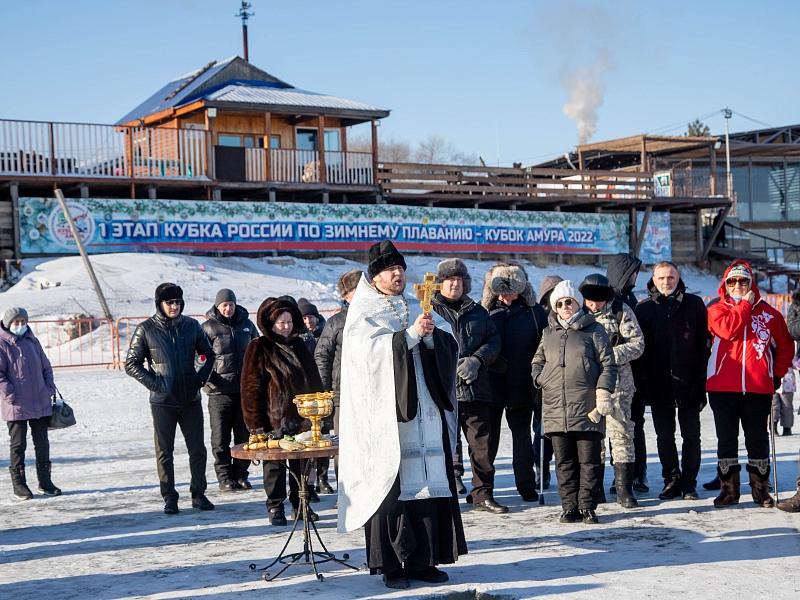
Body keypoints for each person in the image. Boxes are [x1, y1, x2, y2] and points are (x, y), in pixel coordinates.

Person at [338, 240, 466, 590]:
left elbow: (449, 344)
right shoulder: (364, 312)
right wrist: (408, 336)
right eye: (389, 270)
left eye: (400, 268)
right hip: (388, 418)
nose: (397, 274)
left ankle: (425, 560)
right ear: (375, 277)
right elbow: (367, 357)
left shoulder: (416, 303)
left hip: (426, 410)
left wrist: (431, 339)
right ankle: (393, 565)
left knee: (427, 483)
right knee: (391, 488)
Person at [706, 261, 794, 508]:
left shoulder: (770, 314)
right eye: (732, 281)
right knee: (726, 439)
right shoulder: (716, 309)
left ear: (751, 283)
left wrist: (776, 373)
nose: (737, 285)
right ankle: (728, 490)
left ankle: (760, 489)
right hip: (722, 386)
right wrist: (745, 304)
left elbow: (786, 346)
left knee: (757, 439)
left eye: (743, 281)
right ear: (725, 284)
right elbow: (727, 330)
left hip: (757, 386)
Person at [125, 283, 216, 515]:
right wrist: (156, 384)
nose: (174, 306)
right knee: (165, 452)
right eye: (169, 302)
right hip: (162, 402)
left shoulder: (191, 326)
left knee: (197, 449)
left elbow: (209, 354)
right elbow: (131, 363)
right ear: (160, 304)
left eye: (177, 302)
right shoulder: (146, 329)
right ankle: (169, 496)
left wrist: (200, 379)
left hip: (190, 400)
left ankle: (198, 493)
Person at [532, 280, 617, 524]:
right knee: (564, 462)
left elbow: (608, 364)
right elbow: (537, 362)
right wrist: (541, 378)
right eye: (559, 303)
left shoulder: (594, 330)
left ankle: (588, 507)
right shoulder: (548, 333)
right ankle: (569, 507)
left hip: (586, 407)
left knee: (589, 461)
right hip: (556, 407)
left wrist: (603, 390)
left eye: (569, 301)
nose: (565, 306)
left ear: (578, 303)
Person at [241, 297, 324, 526]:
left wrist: (319, 414)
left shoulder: (299, 345)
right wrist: (255, 425)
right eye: (281, 322)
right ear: (271, 323)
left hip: (302, 419)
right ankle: (275, 506)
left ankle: (300, 504)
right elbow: (250, 388)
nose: (286, 326)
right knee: (275, 466)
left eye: (289, 321)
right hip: (273, 421)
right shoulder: (259, 347)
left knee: (301, 465)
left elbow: (314, 380)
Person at [432, 258, 504, 513]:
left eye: (459, 280)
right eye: (450, 280)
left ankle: (482, 495)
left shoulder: (478, 312)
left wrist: (477, 360)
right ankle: (445, 495)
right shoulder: (429, 311)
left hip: (475, 388)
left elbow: (494, 342)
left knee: (482, 446)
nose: (455, 284)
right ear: (440, 283)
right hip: (442, 391)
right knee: (443, 446)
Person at [634, 261, 709, 501]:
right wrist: (643, 382)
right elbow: (640, 351)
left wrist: (701, 380)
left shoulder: (694, 304)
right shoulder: (644, 309)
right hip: (658, 384)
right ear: (653, 280)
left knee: (691, 436)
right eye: (661, 278)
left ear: (678, 278)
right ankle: (672, 479)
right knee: (664, 437)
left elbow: (704, 343)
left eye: (670, 277)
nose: (666, 282)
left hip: (689, 383)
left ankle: (689, 483)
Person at [482, 262, 547, 502]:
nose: (507, 297)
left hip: (523, 384)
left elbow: (544, 345)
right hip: (492, 385)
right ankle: (484, 487)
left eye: (512, 292)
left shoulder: (534, 312)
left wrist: (539, 377)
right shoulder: (485, 312)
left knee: (522, 438)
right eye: (502, 292)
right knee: (488, 440)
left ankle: (526, 485)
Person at [579, 274, 644, 508]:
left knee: (622, 435)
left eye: (598, 301)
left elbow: (638, 343)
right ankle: (594, 487)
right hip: (587, 386)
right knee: (593, 438)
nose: (594, 305)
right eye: (590, 300)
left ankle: (624, 488)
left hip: (619, 386)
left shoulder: (620, 311)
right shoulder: (579, 314)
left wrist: (609, 356)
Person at [202, 288, 259, 492]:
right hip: (219, 392)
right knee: (220, 438)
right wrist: (208, 380)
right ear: (217, 306)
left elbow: (257, 353)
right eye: (224, 305)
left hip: (244, 392)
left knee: (244, 437)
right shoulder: (207, 328)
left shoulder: (247, 325)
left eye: (231, 305)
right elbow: (199, 358)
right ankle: (224, 477)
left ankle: (241, 474)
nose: (228, 309)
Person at [1, 307, 60, 500]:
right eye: (16, 322)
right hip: (16, 404)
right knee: (18, 445)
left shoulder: (32, 341)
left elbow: (46, 366)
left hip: (40, 400)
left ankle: (45, 482)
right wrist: (11, 393)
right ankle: (19, 485)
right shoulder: (2, 344)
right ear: (8, 324)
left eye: (23, 321)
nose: (20, 325)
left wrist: (48, 387)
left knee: (42, 443)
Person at [313, 269, 361, 495]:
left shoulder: (379, 317)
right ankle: (346, 494)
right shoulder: (336, 322)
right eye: (357, 290)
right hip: (343, 394)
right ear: (346, 296)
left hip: (375, 392)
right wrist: (325, 390)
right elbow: (322, 356)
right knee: (345, 446)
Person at [607, 252, 649, 493]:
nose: (636, 276)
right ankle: (621, 474)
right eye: (633, 272)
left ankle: (638, 472)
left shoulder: (630, 297)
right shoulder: (610, 301)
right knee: (617, 427)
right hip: (614, 377)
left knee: (634, 425)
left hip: (637, 375)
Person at [532, 275, 563, 490]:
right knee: (541, 431)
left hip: (567, 384)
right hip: (543, 384)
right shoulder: (538, 315)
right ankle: (541, 469)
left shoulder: (570, 314)